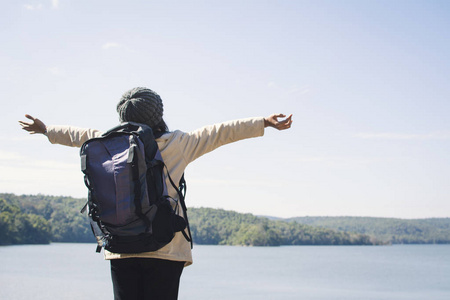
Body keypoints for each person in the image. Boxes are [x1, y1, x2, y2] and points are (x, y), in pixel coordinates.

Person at [19, 87, 293, 300]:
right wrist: (263, 123)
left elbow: (79, 135)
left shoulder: (106, 141)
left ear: (123, 117)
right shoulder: (179, 144)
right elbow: (221, 132)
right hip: (165, 248)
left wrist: (46, 130)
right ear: (158, 114)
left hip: (121, 245)